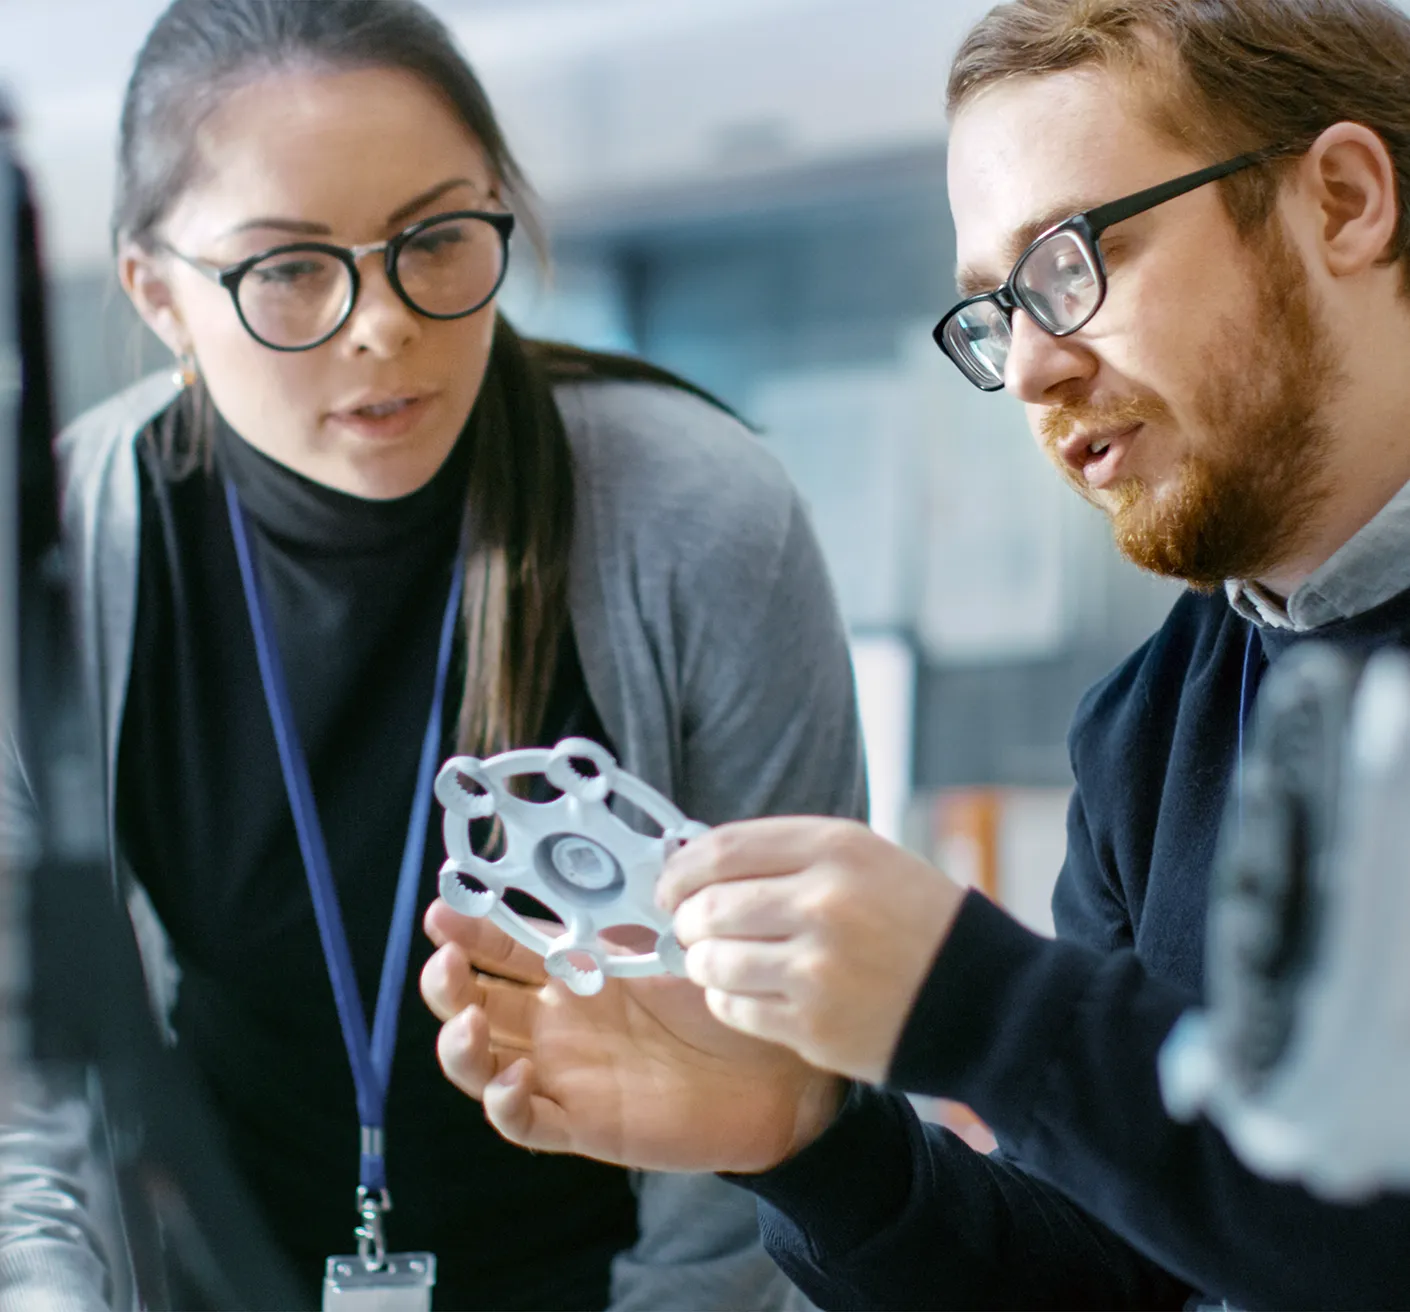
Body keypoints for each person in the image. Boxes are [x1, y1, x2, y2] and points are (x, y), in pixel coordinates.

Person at [420, 0, 1410, 1306]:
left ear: (1339, 199)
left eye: (1073, 259)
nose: (1035, 367)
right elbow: (1105, 1278)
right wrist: (812, 1141)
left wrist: (981, 1007)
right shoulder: (1148, 726)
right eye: (998, 310)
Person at [0, 1, 869, 1308]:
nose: (381, 324)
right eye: (287, 267)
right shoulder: (59, 556)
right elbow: (30, 1075)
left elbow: (780, 1048)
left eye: (436, 239)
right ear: (159, 296)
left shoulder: (697, 515)